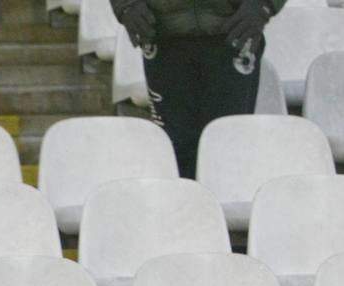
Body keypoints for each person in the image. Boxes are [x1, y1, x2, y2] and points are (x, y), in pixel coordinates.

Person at [112, 0, 281, 177]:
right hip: (163, 37)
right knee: (174, 150)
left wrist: (262, 4)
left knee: (230, 146)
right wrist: (127, 5)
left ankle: (223, 203)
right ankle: (181, 204)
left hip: (234, 34)